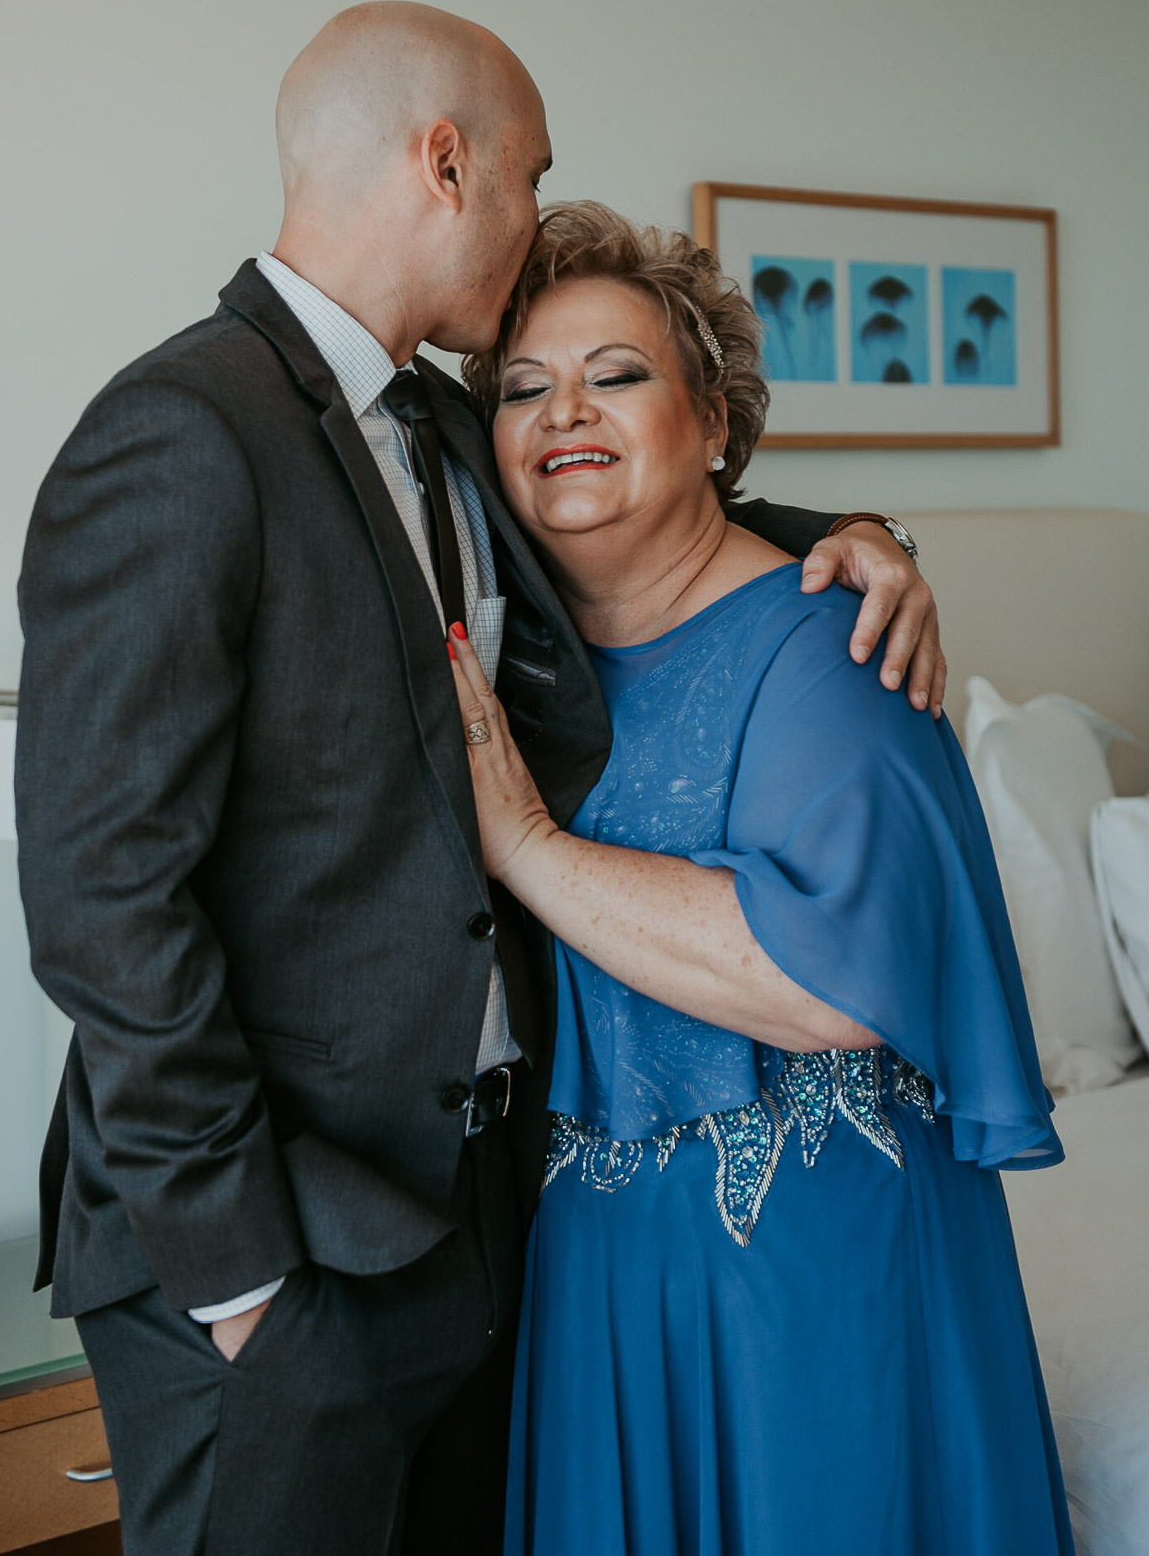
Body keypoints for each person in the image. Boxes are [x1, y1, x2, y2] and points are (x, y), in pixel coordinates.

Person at [16, 5, 944, 1556]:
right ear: (446, 165)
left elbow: (649, 501)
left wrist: (867, 543)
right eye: (528, 175)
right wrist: (244, 1288)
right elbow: (101, 897)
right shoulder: (178, 431)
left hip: (474, 1219)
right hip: (274, 1247)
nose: (531, 216)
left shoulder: (448, 424)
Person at [451, 202, 1075, 1556]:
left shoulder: (833, 642)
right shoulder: (517, 660)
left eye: (615, 375)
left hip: (811, 1268)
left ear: (716, 424)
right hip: (598, 1269)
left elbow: (823, 982)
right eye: (522, 387)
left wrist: (533, 853)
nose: (567, 410)